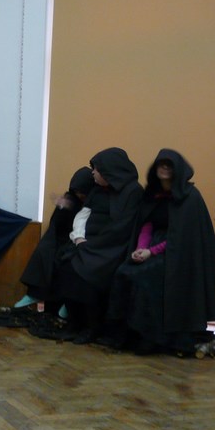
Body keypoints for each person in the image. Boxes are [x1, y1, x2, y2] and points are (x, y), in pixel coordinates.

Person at [105, 149, 215, 353]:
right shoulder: (152, 195)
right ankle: (129, 334)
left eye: (169, 165)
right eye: (161, 164)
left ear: (178, 170)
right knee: (124, 272)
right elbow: (148, 224)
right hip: (152, 246)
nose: (164, 168)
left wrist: (152, 252)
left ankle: (152, 337)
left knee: (145, 277)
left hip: (178, 255)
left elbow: (183, 238)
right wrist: (141, 247)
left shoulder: (191, 197)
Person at [50, 147, 143, 344]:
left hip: (112, 249)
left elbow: (122, 228)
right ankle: (74, 323)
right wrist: (78, 237)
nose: (93, 173)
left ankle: (92, 327)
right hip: (88, 244)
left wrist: (92, 245)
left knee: (88, 273)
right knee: (66, 264)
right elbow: (83, 214)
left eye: (97, 169)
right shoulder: (98, 190)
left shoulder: (132, 192)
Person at [15, 166, 95, 317]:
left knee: (66, 261)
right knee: (44, 252)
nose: (79, 196)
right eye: (77, 192)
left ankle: (67, 304)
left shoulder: (94, 202)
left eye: (82, 193)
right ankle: (34, 294)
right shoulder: (70, 199)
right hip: (60, 238)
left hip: (79, 241)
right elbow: (57, 224)